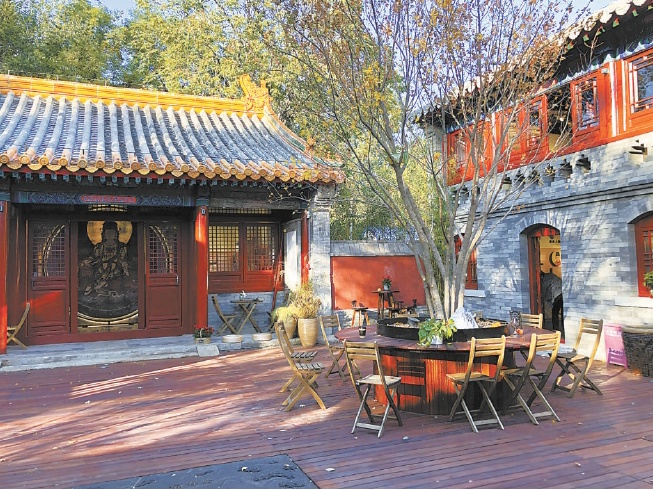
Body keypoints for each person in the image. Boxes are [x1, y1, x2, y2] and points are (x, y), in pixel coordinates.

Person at [80, 221, 130, 296]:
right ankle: (94, 286)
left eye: (112, 233)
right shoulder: (99, 246)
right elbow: (94, 257)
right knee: (85, 266)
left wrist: (122, 263)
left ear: (116, 234)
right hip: (100, 269)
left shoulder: (121, 246)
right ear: (104, 234)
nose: (110, 235)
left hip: (116, 270)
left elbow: (123, 259)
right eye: (108, 233)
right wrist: (88, 261)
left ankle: (105, 286)